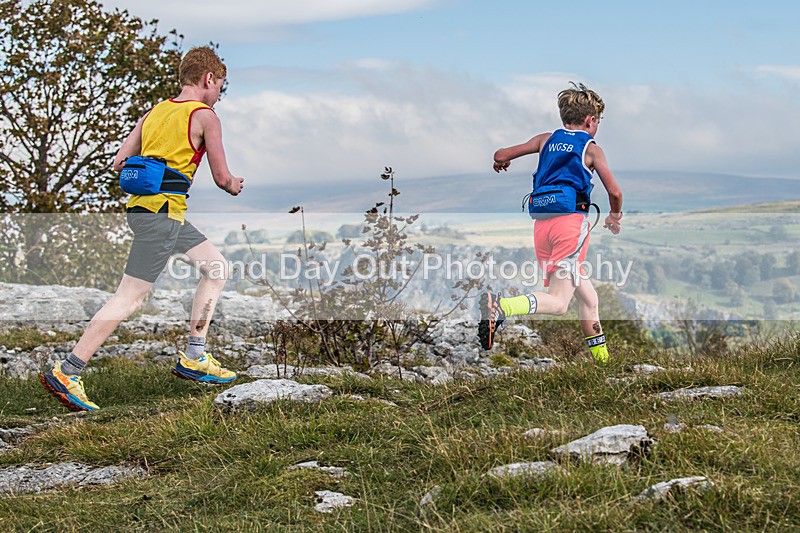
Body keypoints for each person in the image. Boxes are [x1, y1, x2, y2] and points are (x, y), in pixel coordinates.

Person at [40, 46, 245, 411]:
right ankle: (68, 371)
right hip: (163, 214)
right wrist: (234, 184)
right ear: (208, 79)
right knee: (130, 296)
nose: (217, 96)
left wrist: (156, 167)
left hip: (148, 211)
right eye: (219, 88)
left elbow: (120, 162)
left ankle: (194, 357)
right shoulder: (205, 116)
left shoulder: (155, 112)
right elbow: (221, 177)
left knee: (216, 268)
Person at [479, 82, 622, 364]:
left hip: (542, 226)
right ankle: (502, 307)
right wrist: (614, 216)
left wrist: (501, 163)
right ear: (591, 120)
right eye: (598, 122)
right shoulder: (591, 148)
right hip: (570, 226)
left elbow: (500, 155)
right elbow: (615, 192)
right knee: (558, 302)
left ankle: (604, 364)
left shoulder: (546, 139)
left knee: (589, 300)